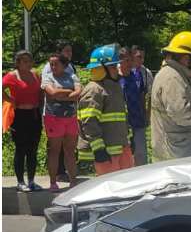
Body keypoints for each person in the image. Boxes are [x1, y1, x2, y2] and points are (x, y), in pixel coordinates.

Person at [150, 31, 191, 161]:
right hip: (176, 158)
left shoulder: (175, 75)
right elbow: (183, 115)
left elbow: (179, 109)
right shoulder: (172, 78)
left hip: (181, 153)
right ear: (186, 58)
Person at [77, 44, 133, 175]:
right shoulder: (94, 90)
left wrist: (129, 140)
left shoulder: (114, 87)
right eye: (113, 66)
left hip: (121, 149)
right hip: (106, 154)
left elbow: (121, 118)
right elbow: (89, 122)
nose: (117, 69)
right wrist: (98, 149)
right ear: (101, 69)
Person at [2, 50, 43, 192]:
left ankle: (31, 181)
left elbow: (40, 93)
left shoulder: (36, 75)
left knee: (33, 149)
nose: (28, 63)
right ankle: (20, 182)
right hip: (19, 115)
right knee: (21, 149)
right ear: (18, 63)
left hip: (34, 115)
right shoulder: (12, 76)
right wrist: (8, 99)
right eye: (24, 61)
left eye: (30, 60)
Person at [41, 53, 81, 191]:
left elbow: (78, 93)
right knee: (54, 150)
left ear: (64, 65)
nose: (53, 67)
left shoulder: (72, 76)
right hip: (53, 118)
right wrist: (69, 92)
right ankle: (53, 182)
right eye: (51, 64)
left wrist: (61, 95)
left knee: (70, 150)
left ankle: (73, 181)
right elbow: (52, 93)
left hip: (70, 118)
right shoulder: (47, 78)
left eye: (56, 64)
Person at [118, 47, 148, 166]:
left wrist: (145, 114)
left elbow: (142, 96)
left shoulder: (137, 75)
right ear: (119, 61)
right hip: (121, 122)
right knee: (125, 154)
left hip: (137, 118)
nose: (130, 63)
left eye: (131, 60)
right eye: (126, 60)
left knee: (140, 152)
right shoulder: (115, 77)